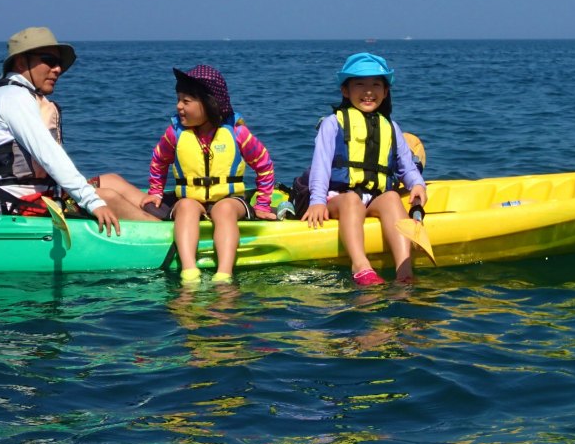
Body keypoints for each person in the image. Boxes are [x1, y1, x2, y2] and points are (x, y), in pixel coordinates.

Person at [0, 26, 156, 234]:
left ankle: (164, 215)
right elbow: (48, 154)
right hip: (15, 206)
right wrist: (93, 202)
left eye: (60, 63)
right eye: (49, 60)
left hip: (37, 195)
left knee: (112, 181)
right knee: (107, 197)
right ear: (21, 62)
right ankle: (166, 236)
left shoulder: (17, 94)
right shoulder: (13, 97)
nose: (58, 69)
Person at [143, 65, 276, 284]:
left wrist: (262, 204)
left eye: (186, 102)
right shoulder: (174, 134)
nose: (179, 107)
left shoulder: (237, 132)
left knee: (223, 210)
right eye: (178, 100)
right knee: (185, 206)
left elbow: (264, 165)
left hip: (229, 200)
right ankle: (189, 270)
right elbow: (159, 161)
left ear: (209, 103)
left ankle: (224, 274)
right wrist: (156, 192)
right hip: (191, 198)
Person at [302, 52, 427, 285]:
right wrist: (317, 201)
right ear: (345, 91)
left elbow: (406, 167)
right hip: (338, 198)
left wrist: (417, 184)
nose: (368, 91)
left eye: (376, 85)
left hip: (375, 197)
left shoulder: (390, 127)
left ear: (386, 91)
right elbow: (320, 166)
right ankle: (360, 265)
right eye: (360, 84)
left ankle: (404, 270)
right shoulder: (333, 123)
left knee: (391, 197)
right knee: (351, 200)